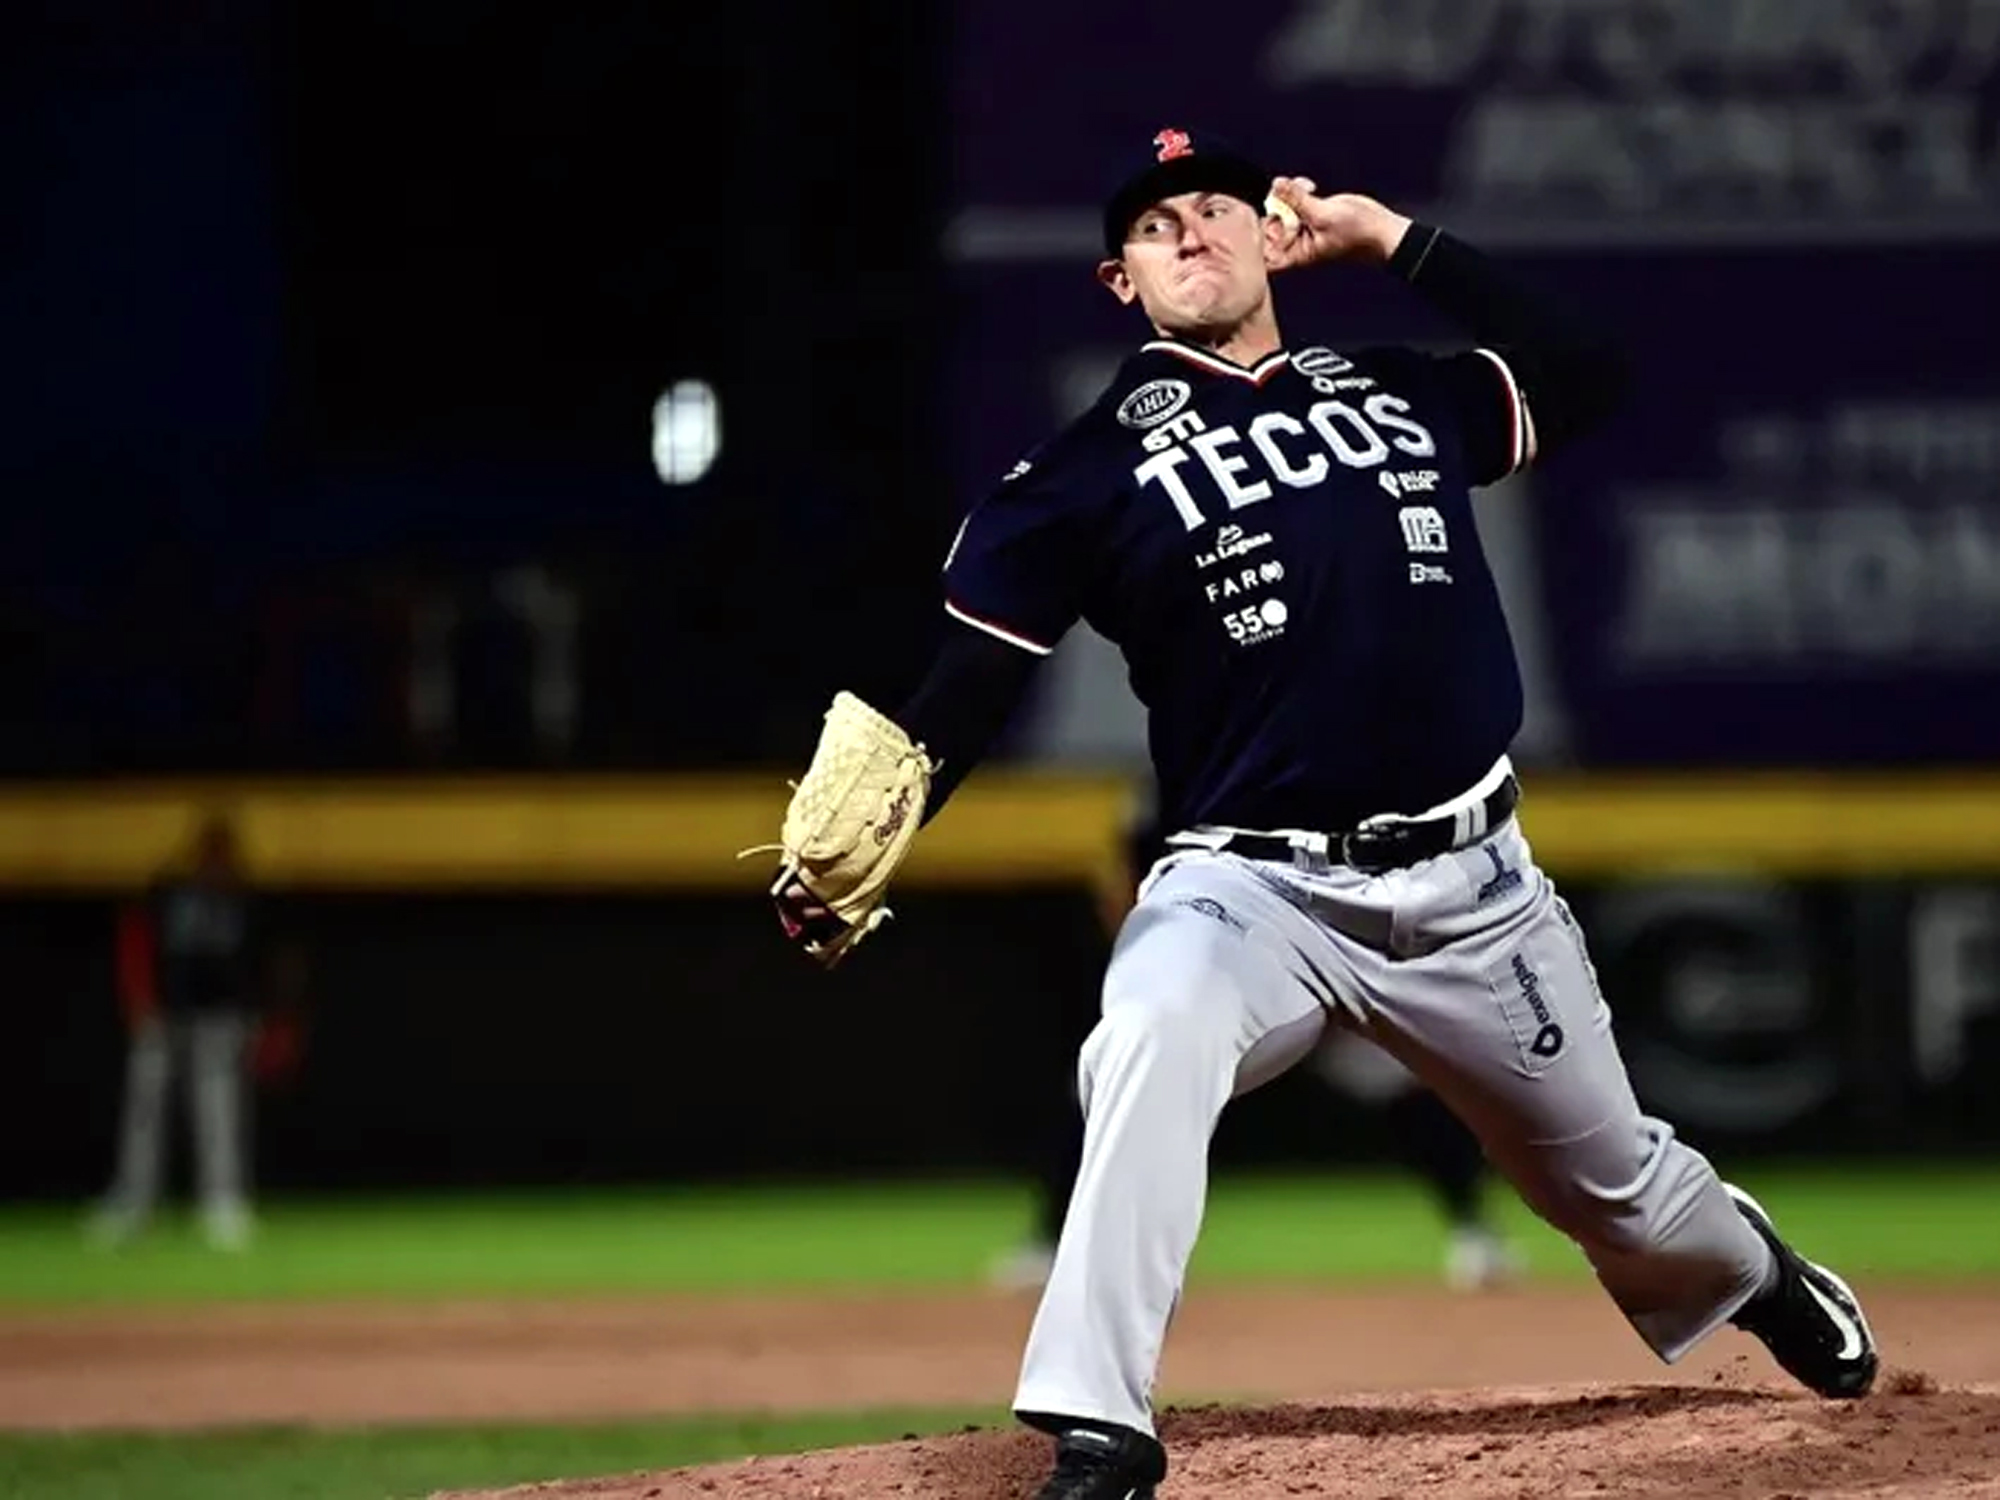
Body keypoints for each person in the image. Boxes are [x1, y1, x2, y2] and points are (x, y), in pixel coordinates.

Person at [759, 128, 1878, 1500]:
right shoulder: (1079, 477)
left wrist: (1396, 241)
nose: (1192, 229)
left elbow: (1591, 370)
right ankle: (1099, 1425)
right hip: (1250, 890)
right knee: (1149, 1032)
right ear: (1120, 282)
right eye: (1156, 225)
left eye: (1215, 206)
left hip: (1476, 889)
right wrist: (880, 834)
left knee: (1620, 1195)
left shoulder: (1399, 391)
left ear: (1268, 237)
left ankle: (1752, 1270)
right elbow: (969, 684)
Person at [989, 787, 1519, 1295]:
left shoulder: (1313, 779)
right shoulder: (1167, 795)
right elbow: (1128, 894)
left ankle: (1475, 1233)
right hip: (1209, 978)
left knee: (1400, 1083)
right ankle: (1050, 1244)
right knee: (1108, 1087)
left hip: (1316, 972)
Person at [89, 812, 294, 1250]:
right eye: (210, 851)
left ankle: (222, 1204)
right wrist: (140, 999)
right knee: (144, 1113)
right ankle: (132, 1203)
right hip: (165, 1016)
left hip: (222, 1018)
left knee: (218, 1115)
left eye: (224, 852)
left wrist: (268, 1019)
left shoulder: (246, 900)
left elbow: (271, 959)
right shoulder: (169, 893)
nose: (217, 861)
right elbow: (136, 937)